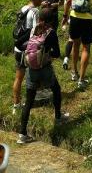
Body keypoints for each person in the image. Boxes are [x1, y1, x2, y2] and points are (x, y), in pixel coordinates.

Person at [17, 8, 69, 144]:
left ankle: (22, 134)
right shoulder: (51, 33)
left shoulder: (32, 30)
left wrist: (30, 51)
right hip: (45, 68)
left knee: (28, 101)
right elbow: (57, 53)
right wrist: (46, 54)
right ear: (51, 20)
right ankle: (58, 117)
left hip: (31, 70)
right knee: (56, 89)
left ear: (39, 18)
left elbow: (18, 43)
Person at [12, 0, 45, 115]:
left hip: (18, 48)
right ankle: (35, 99)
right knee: (34, 75)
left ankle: (16, 105)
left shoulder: (23, 9)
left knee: (18, 77)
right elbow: (37, 31)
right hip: (29, 50)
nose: (41, 1)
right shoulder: (35, 11)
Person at [62, 0, 86, 70]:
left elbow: (67, 2)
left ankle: (66, 59)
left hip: (73, 16)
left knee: (72, 39)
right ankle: (76, 65)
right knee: (81, 41)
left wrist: (65, 16)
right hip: (85, 17)